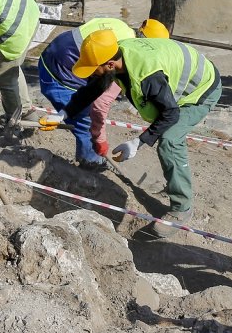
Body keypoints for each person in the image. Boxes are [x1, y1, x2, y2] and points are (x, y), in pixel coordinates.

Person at [58, 30, 221, 237]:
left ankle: (182, 207)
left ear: (109, 65)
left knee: (169, 141)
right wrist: (64, 113)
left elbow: (170, 113)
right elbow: (94, 88)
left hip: (201, 89)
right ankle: (174, 179)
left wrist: (138, 142)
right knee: (164, 129)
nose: (92, 72)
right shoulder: (117, 56)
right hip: (178, 84)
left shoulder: (146, 75)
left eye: (94, 68)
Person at [37, 18, 170, 171]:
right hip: (63, 68)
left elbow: (94, 90)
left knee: (85, 111)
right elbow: (100, 103)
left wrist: (63, 114)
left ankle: (91, 158)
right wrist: (100, 140)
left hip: (53, 51)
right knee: (85, 119)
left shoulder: (121, 27)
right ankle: (92, 164)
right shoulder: (122, 59)